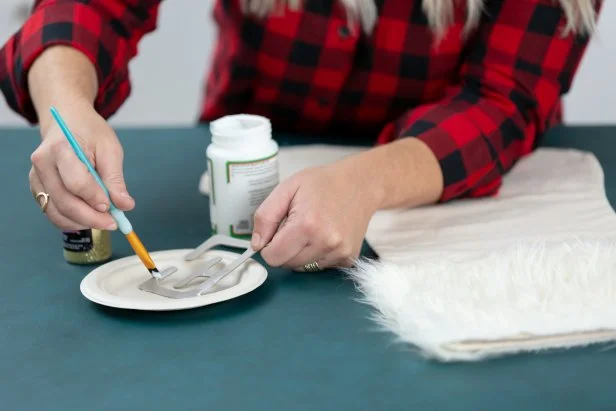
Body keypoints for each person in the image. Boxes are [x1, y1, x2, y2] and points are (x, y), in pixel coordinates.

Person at [0, 0, 601, 272]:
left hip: (442, 175)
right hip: (252, 129)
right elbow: (91, 9)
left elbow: (505, 99)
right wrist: (64, 107)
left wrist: (367, 182)